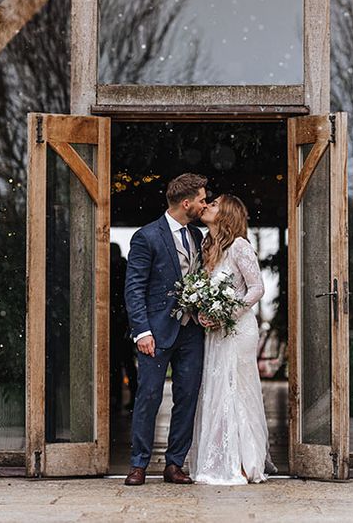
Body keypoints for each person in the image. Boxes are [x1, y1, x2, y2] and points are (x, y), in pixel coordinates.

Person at [123, 173, 208, 486]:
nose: (204, 204)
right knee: (148, 395)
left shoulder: (199, 237)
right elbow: (134, 288)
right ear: (186, 203)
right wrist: (142, 331)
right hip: (156, 333)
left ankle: (174, 464)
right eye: (201, 199)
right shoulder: (147, 236)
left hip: (192, 331)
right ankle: (138, 464)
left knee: (187, 397)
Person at [188, 194, 271, 485]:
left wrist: (227, 313)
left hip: (238, 330)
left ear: (227, 214)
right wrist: (203, 313)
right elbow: (205, 292)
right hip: (216, 332)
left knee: (236, 391)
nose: (207, 205)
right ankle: (222, 458)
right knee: (217, 390)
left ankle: (247, 462)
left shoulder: (239, 246)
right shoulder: (209, 247)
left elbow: (256, 288)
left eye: (214, 204)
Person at [110, 243, 137, 412]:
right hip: (123, 322)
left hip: (118, 323)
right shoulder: (125, 268)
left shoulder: (115, 269)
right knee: (126, 363)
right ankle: (128, 398)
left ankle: (117, 399)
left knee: (117, 364)